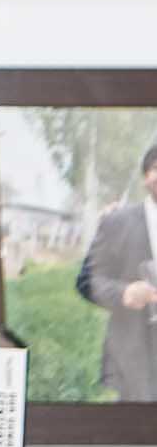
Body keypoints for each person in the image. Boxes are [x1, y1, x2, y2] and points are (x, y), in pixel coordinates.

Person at [76, 138, 157, 403]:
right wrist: (123, 293)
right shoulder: (117, 223)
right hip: (137, 356)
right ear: (147, 176)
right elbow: (87, 280)